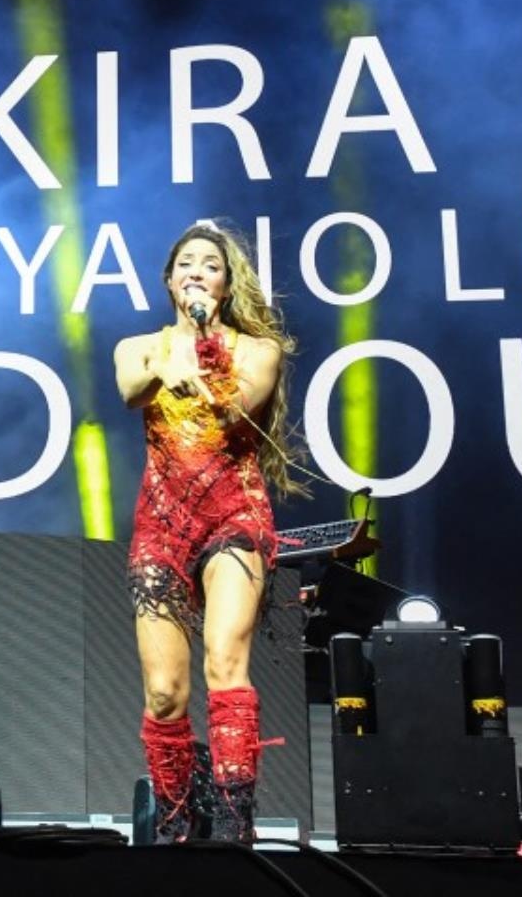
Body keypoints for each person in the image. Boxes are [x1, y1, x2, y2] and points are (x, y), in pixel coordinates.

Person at [113, 218, 304, 843]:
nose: (198, 272)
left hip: (232, 517)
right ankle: (175, 820)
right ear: (169, 280)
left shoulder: (258, 350)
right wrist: (166, 365)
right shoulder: (140, 346)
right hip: (162, 523)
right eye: (187, 264)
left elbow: (238, 411)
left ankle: (232, 821)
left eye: (211, 265)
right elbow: (129, 388)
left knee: (225, 660)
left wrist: (206, 350)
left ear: (226, 284)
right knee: (164, 691)